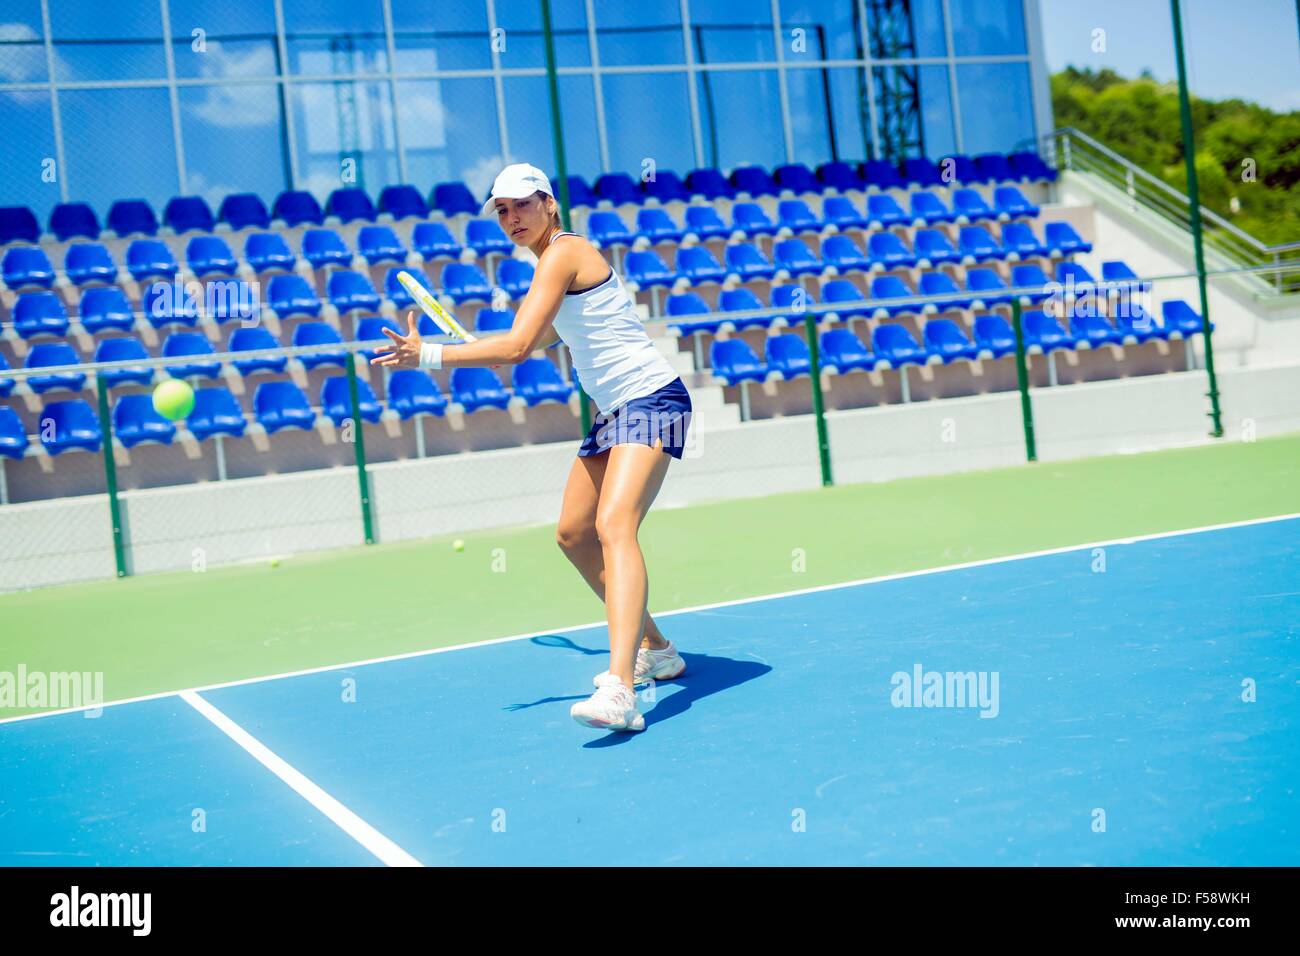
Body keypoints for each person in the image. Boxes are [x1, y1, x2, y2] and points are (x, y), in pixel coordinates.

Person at [371, 163, 692, 733]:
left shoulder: (565, 253)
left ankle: (620, 689)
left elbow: (517, 347)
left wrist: (430, 356)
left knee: (615, 525)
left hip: (651, 399)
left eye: (521, 204)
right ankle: (658, 650)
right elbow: (534, 339)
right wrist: (471, 348)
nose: (511, 217)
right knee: (573, 534)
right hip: (613, 413)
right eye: (502, 210)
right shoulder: (552, 267)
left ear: (549, 204)